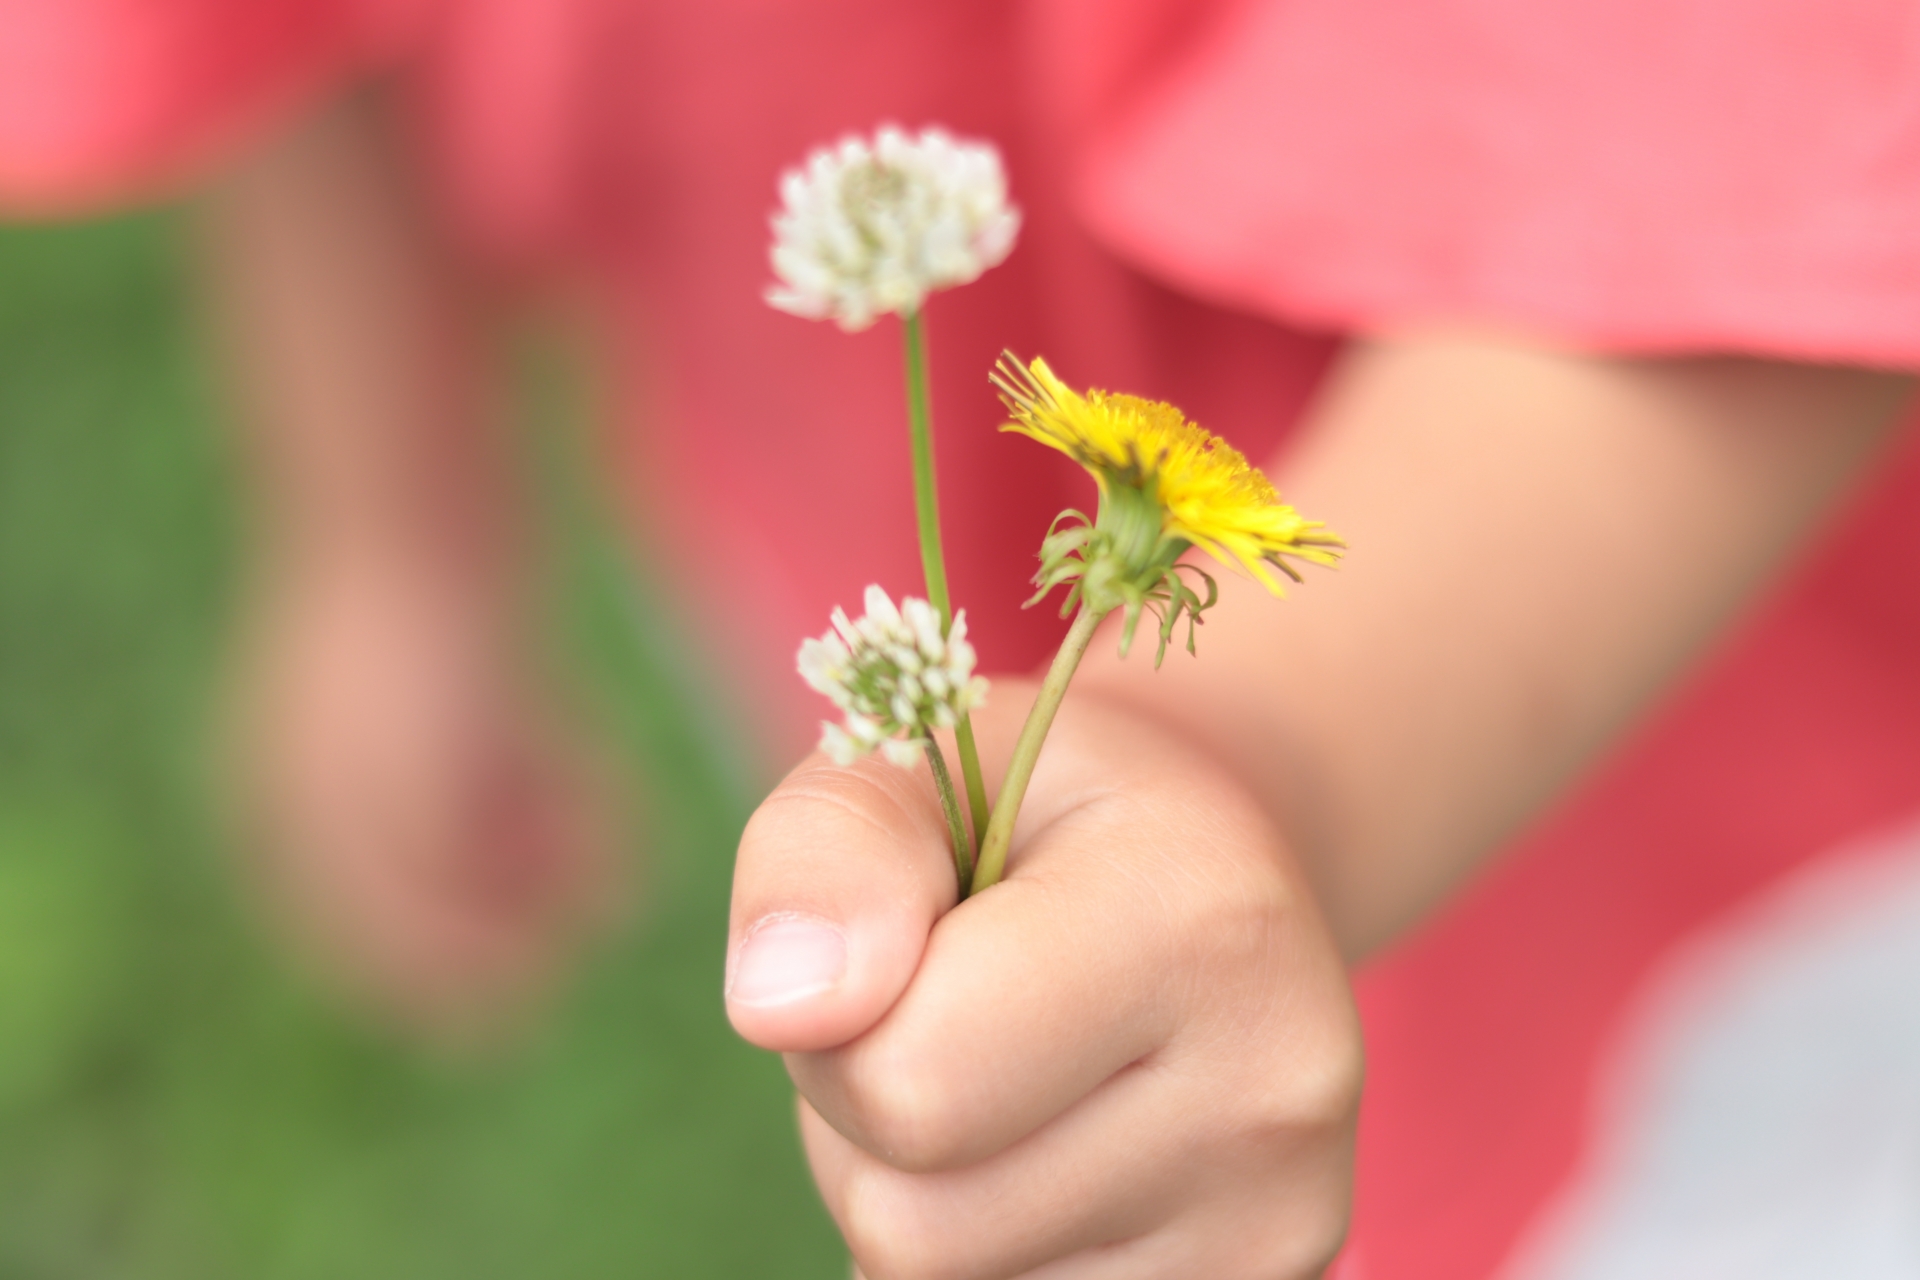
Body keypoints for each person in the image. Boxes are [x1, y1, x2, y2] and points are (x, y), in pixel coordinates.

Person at [6, 1, 1920, 1276]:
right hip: (820, 491)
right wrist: (387, 523)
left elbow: (1781, 100)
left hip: (1672, 735)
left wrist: (1266, 760)